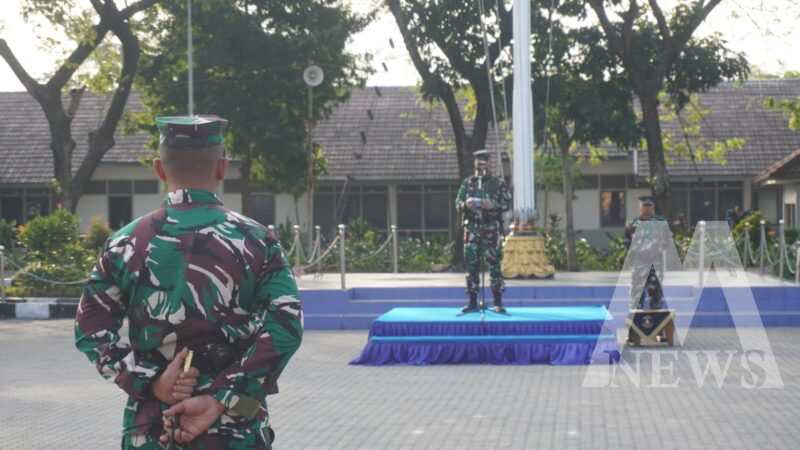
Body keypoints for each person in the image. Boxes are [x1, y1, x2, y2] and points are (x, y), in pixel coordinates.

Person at [75, 115, 303, 449]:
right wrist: (224, 396)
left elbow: (90, 330)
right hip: (235, 428)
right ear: (222, 167)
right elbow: (286, 326)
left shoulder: (125, 242)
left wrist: (150, 380)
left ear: (159, 169)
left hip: (151, 429)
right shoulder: (257, 241)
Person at [455, 149, 512, 313]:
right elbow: (458, 203)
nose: (482, 164)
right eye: (479, 161)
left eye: (485, 161)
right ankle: (472, 302)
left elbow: (507, 203)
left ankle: (497, 302)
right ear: (475, 163)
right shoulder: (468, 183)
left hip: (490, 228)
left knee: (494, 265)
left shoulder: (497, 183)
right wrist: (465, 205)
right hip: (472, 228)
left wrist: (492, 205)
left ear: (489, 163)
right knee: (471, 265)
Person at [624, 196, 668, 310]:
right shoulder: (632, 224)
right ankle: (636, 314)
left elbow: (666, 241)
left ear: (653, 207)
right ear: (640, 207)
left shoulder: (661, 223)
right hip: (639, 262)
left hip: (655, 261)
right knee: (637, 290)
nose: (647, 208)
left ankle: (656, 313)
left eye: (649, 206)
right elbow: (627, 242)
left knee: (656, 289)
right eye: (644, 206)